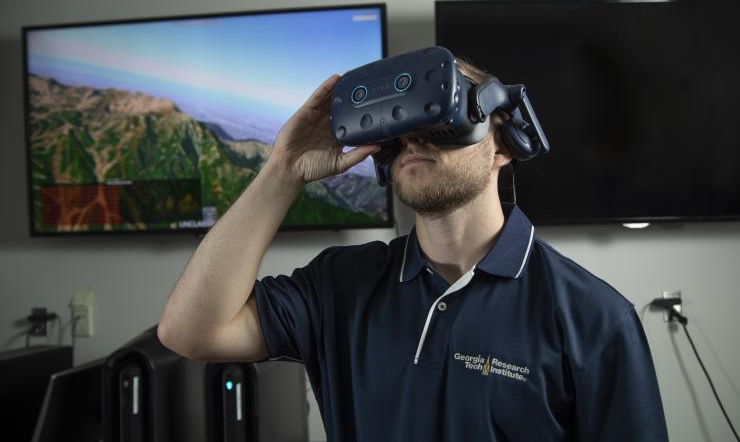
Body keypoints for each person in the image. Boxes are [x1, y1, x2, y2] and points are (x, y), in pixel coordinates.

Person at [157, 58, 669, 441]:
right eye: (398, 132)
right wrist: (282, 171)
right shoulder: (340, 286)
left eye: (441, 121)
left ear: (504, 144)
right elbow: (189, 331)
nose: (414, 141)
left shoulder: (593, 319)